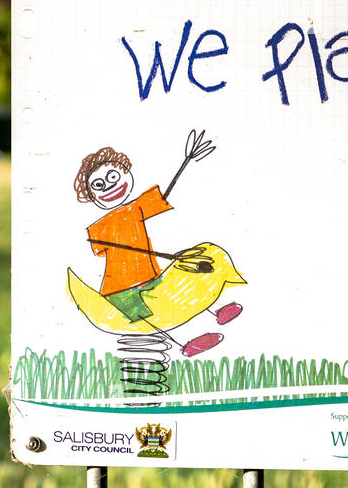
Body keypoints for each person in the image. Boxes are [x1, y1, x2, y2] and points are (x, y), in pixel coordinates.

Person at [72, 131, 243, 357]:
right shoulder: (98, 228)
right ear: (92, 197)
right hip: (120, 289)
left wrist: (186, 161)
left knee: (182, 287)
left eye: (113, 177)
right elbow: (99, 248)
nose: (109, 187)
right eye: (99, 185)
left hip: (151, 277)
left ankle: (216, 312)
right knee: (146, 317)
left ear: (125, 172)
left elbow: (163, 196)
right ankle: (184, 343)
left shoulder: (135, 208)